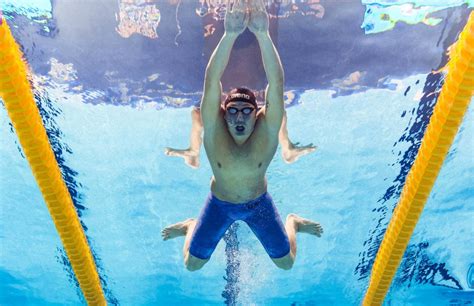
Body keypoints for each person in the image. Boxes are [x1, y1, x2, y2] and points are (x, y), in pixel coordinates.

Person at [162, 0, 323, 271]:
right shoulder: (214, 129)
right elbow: (211, 80)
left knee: (286, 263)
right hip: (219, 204)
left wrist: (263, 34)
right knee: (191, 265)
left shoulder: (267, 130)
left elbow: (277, 83)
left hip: (258, 205)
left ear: (257, 112)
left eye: (246, 111)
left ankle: (293, 222)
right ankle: (191, 226)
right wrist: (229, 35)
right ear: (223, 113)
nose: (239, 117)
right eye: (233, 110)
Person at [164, 106, 317, 169]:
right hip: (235, 115)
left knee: (278, 110)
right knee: (198, 112)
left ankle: (287, 149)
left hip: (244, 117)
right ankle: (194, 151)